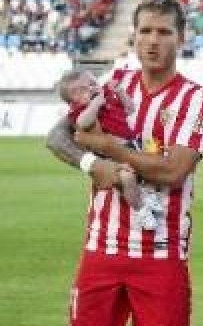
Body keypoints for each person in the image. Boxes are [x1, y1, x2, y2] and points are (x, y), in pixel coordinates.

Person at [45, 0, 203, 326]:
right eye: (145, 31)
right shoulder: (111, 86)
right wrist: (91, 164)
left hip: (160, 254)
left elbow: (173, 169)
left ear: (180, 38)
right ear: (133, 36)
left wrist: (109, 149)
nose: (153, 41)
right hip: (101, 249)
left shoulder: (195, 99)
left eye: (163, 32)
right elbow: (58, 138)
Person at [57, 68, 151, 228]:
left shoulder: (108, 98)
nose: (93, 89)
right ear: (74, 100)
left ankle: (145, 196)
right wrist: (94, 104)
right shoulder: (80, 110)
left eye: (94, 83)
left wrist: (120, 92)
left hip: (131, 143)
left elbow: (130, 109)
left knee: (153, 160)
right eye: (84, 90)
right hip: (109, 156)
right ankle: (141, 211)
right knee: (127, 178)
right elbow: (82, 122)